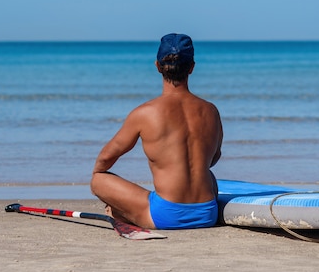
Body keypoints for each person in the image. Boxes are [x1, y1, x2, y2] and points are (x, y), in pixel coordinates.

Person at [90, 33, 223, 230]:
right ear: (192, 68)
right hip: (207, 213)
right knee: (208, 174)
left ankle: (123, 212)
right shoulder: (211, 110)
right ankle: (125, 211)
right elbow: (213, 158)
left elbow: (106, 158)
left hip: (165, 216)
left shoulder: (145, 113)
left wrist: (102, 180)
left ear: (158, 66)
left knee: (98, 180)